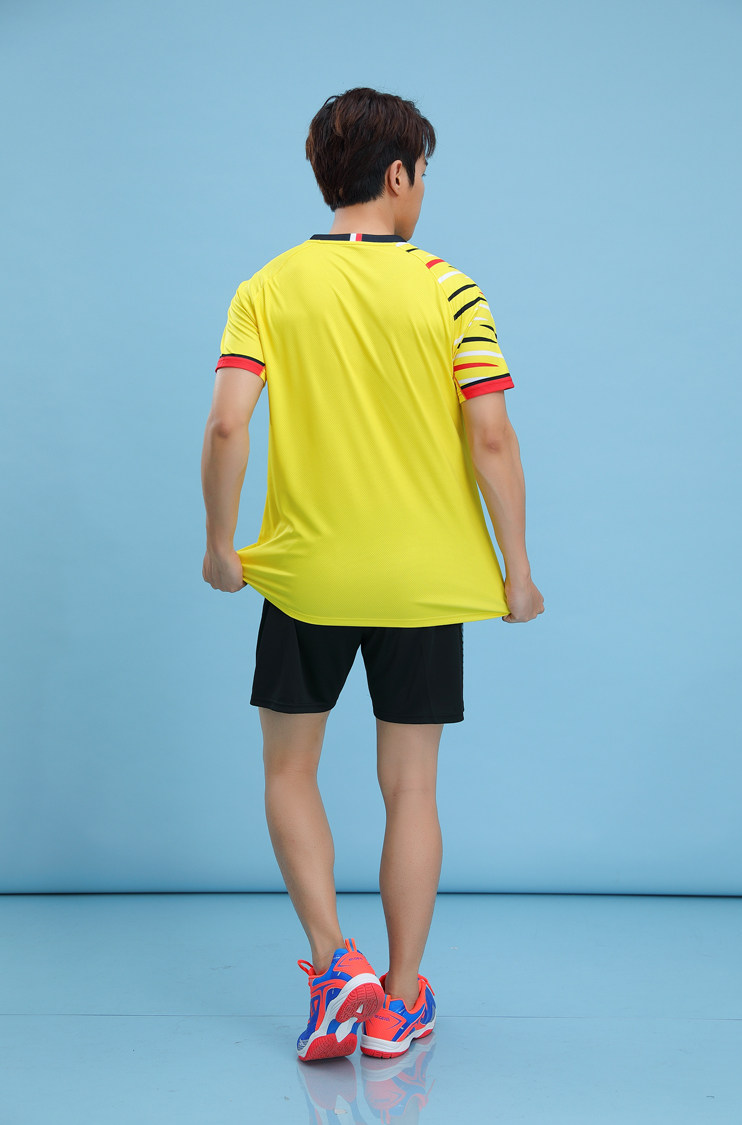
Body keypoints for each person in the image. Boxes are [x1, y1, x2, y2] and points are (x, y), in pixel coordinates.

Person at [201, 86, 545, 1062]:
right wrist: (517, 570)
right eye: (422, 173)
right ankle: (397, 1001)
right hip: (423, 584)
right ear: (398, 175)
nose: (423, 190)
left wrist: (222, 544)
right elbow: (491, 435)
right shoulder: (451, 288)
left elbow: (227, 425)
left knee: (288, 772)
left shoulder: (268, 287)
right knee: (413, 790)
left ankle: (330, 963)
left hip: (306, 575)